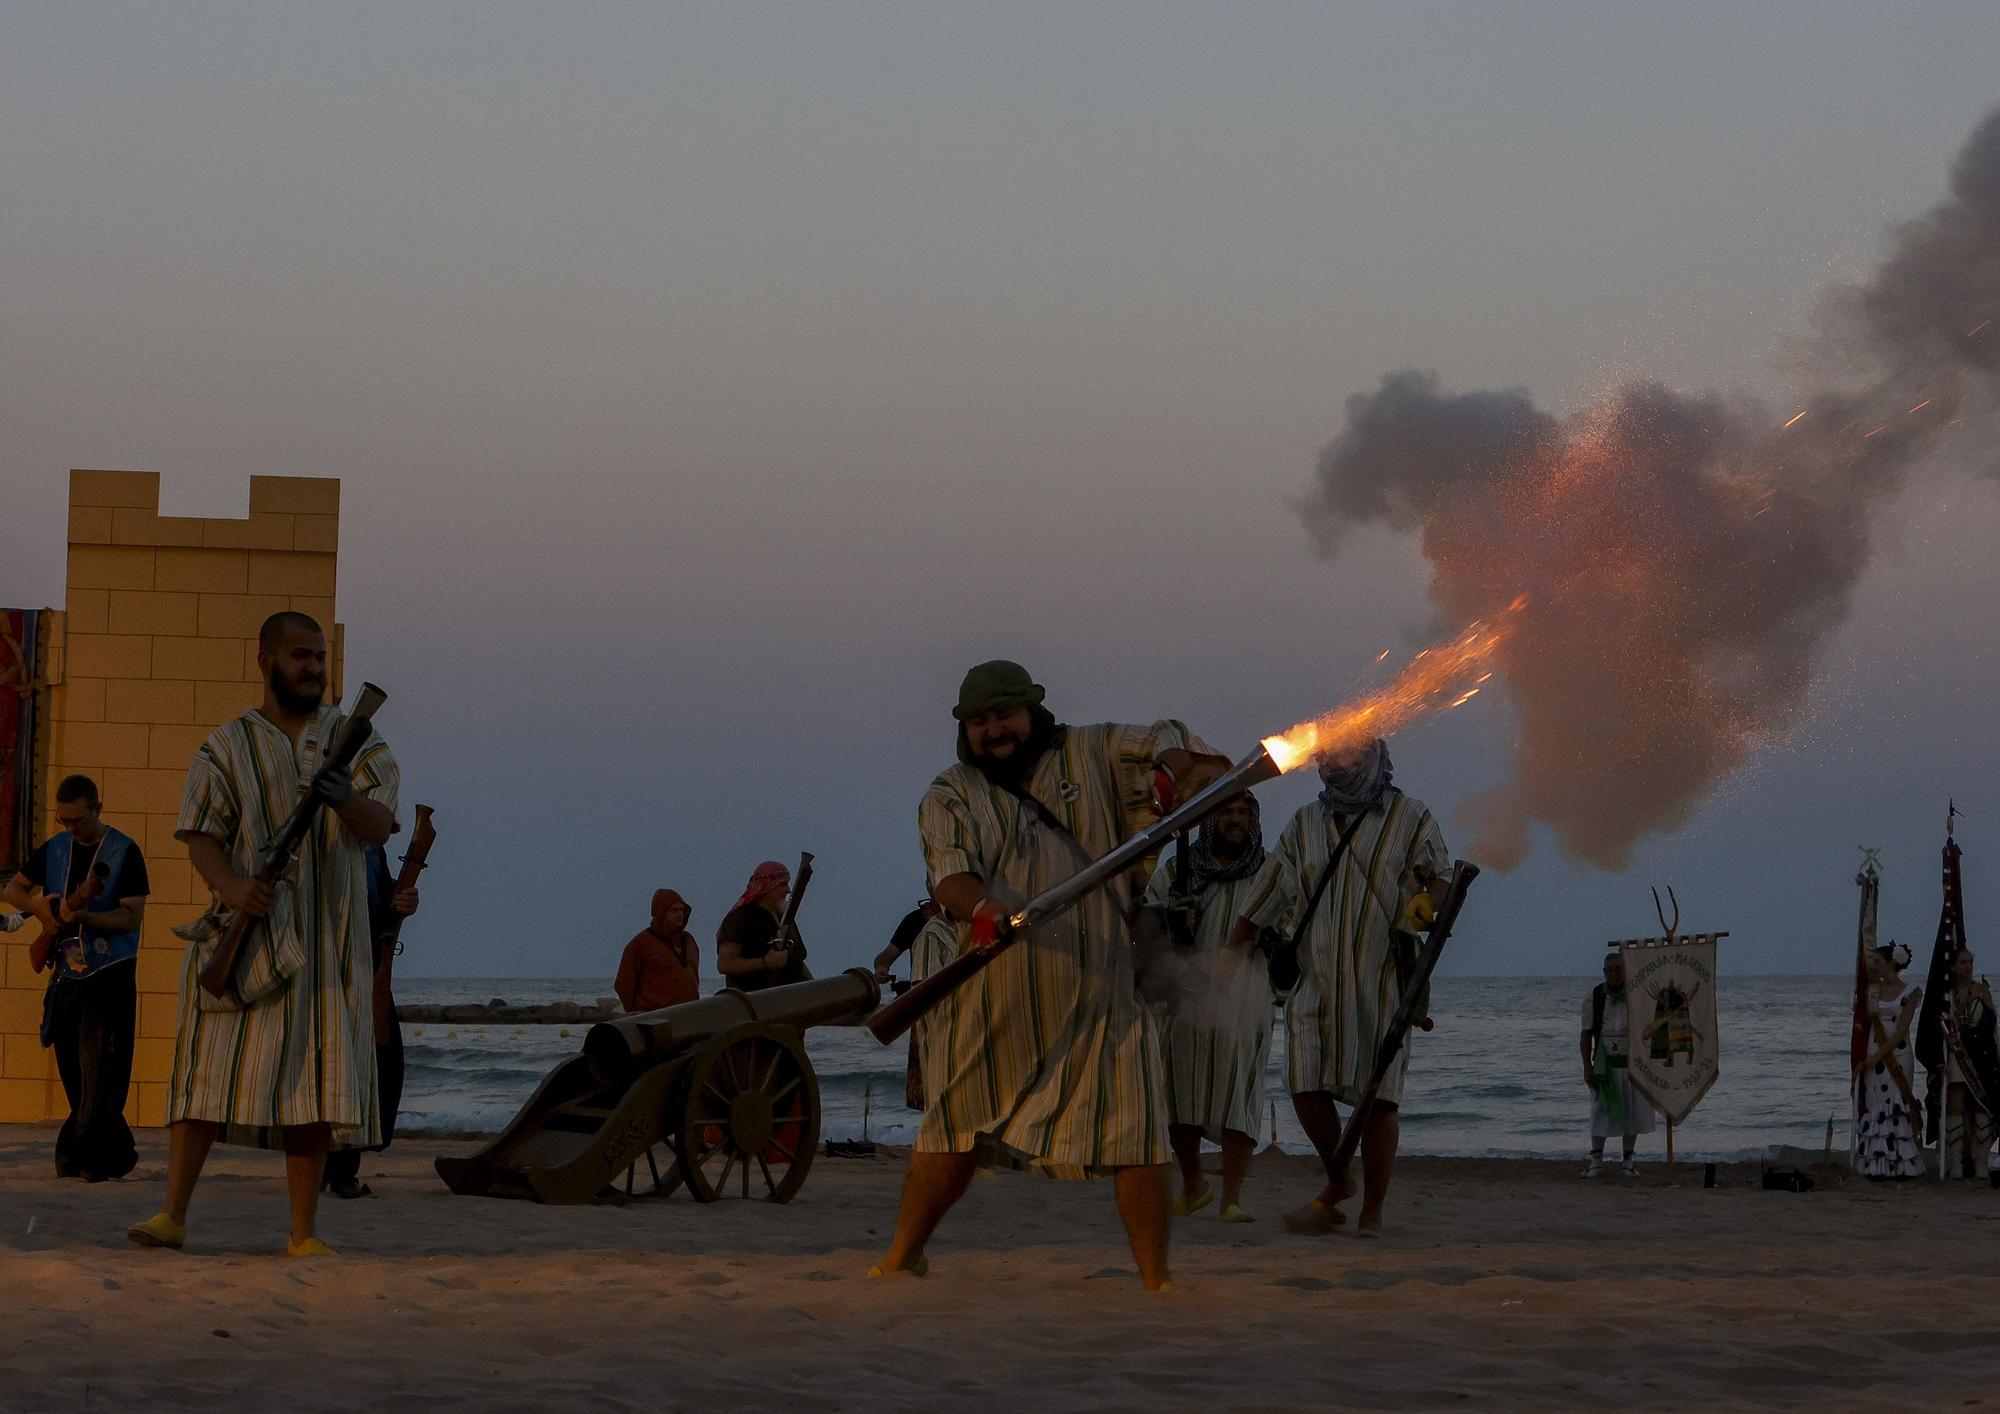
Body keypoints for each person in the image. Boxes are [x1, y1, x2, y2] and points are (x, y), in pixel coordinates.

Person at [872, 659, 1227, 1290]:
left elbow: (1189, 749)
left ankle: (1156, 1280)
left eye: (1005, 714)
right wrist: (981, 907)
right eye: (980, 721)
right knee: (953, 1130)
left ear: (1034, 710)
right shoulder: (949, 793)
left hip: (1106, 991)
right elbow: (949, 874)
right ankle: (901, 1258)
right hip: (994, 996)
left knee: (1139, 1133)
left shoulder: (1096, 750)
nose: (995, 730)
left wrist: (1173, 772)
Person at [128, 611, 398, 1256]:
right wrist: (232, 889)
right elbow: (200, 835)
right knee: (203, 1074)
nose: (313, 667)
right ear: (265, 660)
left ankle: (303, 1233)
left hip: (327, 943)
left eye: (321, 656)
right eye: (301, 655)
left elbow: (380, 825)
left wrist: (340, 797)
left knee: (313, 1084)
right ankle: (172, 1216)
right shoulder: (224, 745)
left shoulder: (359, 741)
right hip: (241, 933)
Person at [1236, 738, 1448, 1238]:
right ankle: (1339, 1179)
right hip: (1315, 981)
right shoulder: (1304, 824)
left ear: (1372, 757)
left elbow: (1439, 877)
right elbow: (1265, 893)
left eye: (1346, 756)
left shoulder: (1410, 816)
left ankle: (1371, 1209)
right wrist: (1227, 951)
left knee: (1380, 1103)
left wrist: (1426, 902)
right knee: (1305, 1088)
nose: (1334, 765)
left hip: (1382, 982)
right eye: (1328, 758)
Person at [3, 773, 150, 1181]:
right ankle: (112, 1153)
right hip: (67, 974)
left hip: (111, 972)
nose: (71, 828)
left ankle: (82, 1155)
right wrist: (41, 909)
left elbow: (131, 915)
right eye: (64, 821)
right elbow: (14, 889)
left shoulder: (125, 851)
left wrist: (86, 914)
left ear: (97, 809)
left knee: (103, 1069)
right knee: (71, 1066)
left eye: (78, 820)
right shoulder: (54, 849)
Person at [1139, 794, 1274, 1223]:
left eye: (1244, 812)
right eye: (1227, 811)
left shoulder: (1269, 872)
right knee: (1178, 1093)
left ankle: (1230, 1199)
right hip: (1185, 991)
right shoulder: (1179, 870)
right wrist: (1174, 921)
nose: (1236, 820)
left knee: (1239, 1094)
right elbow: (1148, 924)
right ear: (1210, 819)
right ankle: (1194, 1183)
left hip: (1244, 995)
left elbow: (1288, 924)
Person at [322, 842, 421, 1200]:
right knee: (339, 1070)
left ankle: (341, 1165)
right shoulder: (328, 838)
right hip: (330, 972)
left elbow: (382, 901)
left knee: (378, 1068)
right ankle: (333, 1168)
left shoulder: (373, 849)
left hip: (369, 970)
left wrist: (404, 901)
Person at [1579, 950, 1656, 1177]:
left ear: (1625, 971)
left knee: (1632, 1111)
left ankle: (1628, 1161)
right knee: (1599, 1111)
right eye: (1608, 970)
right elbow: (1585, 1036)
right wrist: (1587, 1067)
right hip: (1605, 1064)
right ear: (1604, 972)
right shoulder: (1594, 997)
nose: (1613, 974)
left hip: (1632, 1063)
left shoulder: (1636, 995)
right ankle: (1596, 1160)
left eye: (1617, 969)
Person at [1853, 942, 1924, 1181]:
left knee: (1896, 1105)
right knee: (1876, 1105)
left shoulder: (1911, 991)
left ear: (1891, 963)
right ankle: (1876, 1164)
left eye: (1877, 962)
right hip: (1873, 1052)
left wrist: (1877, 1055)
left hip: (1898, 1055)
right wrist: (1867, 1056)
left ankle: (1901, 1164)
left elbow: (1900, 1031)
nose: (1873, 966)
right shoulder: (1871, 990)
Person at [1940, 948, 2000, 1180]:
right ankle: (1955, 1162)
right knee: (1955, 1103)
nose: (1968, 966)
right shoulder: (1948, 994)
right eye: (1963, 962)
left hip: (1980, 1056)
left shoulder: (1981, 989)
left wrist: (1985, 1001)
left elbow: (1991, 1023)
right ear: (1954, 966)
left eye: (1971, 962)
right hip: (1957, 1055)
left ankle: (1980, 1162)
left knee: (1981, 1105)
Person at [715, 862, 806, 992]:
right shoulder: (740, 919)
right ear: (767, 886)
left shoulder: (784, 918)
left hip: (789, 1000)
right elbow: (724, 964)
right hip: (755, 1003)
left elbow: (798, 961)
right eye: (782, 884)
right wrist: (765, 963)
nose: (788, 890)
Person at [614, 889, 700, 1012]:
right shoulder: (640, 944)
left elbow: (693, 977)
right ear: (661, 912)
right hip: (653, 1017)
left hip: (688, 1015)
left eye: (682, 910)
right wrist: (635, 1014)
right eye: (674, 910)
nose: (680, 914)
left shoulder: (689, 941)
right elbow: (623, 985)